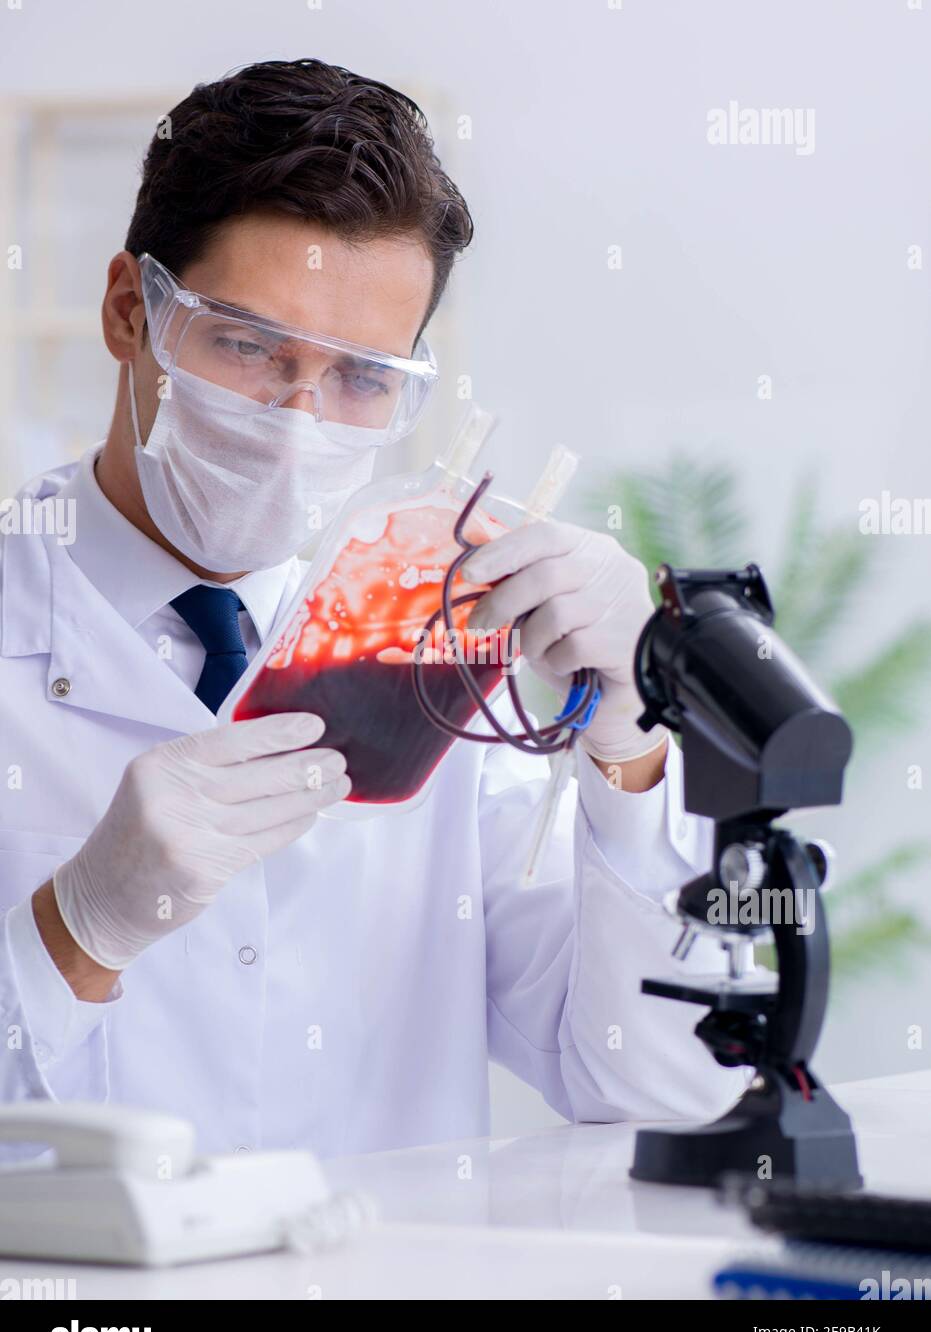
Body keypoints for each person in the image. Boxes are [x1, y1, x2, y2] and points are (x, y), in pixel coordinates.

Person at [0, 59, 748, 1157]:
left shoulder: (433, 656)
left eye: (361, 377)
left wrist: (632, 748)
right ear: (131, 312)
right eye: (251, 347)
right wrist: (76, 931)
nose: (300, 418)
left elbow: (657, 1083)